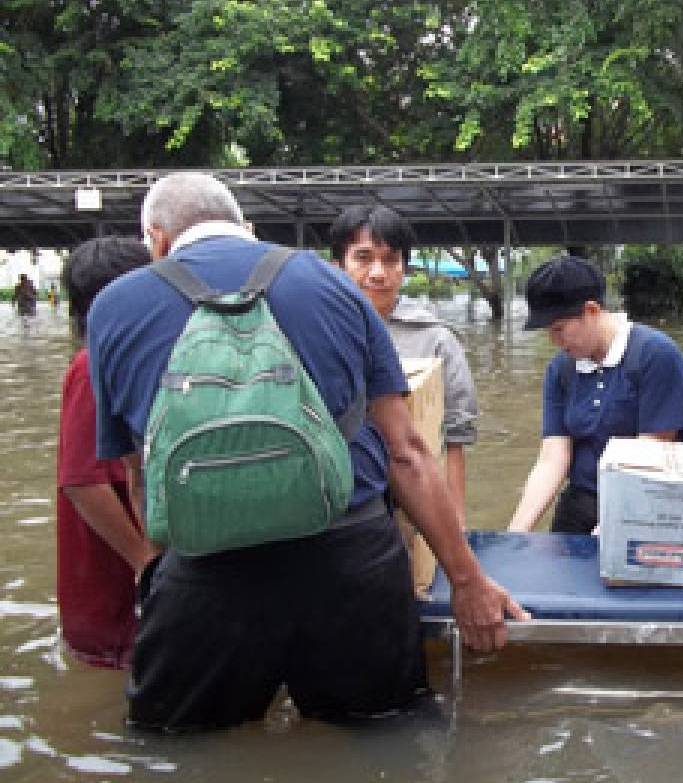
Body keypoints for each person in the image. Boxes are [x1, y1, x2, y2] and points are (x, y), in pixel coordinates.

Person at [87, 172, 527, 731]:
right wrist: (468, 581)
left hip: (205, 574)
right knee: (387, 741)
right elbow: (408, 451)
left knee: (177, 753)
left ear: (157, 238)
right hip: (350, 563)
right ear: (244, 225)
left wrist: (162, 582)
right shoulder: (332, 283)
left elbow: (138, 474)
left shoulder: (114, 307)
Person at [508, 255, 683, 534]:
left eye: (559, 329)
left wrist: (615, 525)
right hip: (581, 502)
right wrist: (515, 533)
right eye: (549, 331)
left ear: (592, 311)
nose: (554, 341)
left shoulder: (656, 355)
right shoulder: (561, 368)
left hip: (645, 504)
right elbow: (553, 457)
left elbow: (653, 449)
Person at [328, 204, 479, 525]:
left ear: (404, 269)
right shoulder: (317, 332)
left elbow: (454, 442)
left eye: (391, 260)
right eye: (363, 258)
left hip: (414, 505)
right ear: (337, 267)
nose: (378, 273)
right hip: (338, 504)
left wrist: (456, 526)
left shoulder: (436, 340)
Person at [57, 237, 160, 669]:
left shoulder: (118, 360)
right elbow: (83, 481)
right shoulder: (89, 368)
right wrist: (147, 564)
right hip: (115, 600)